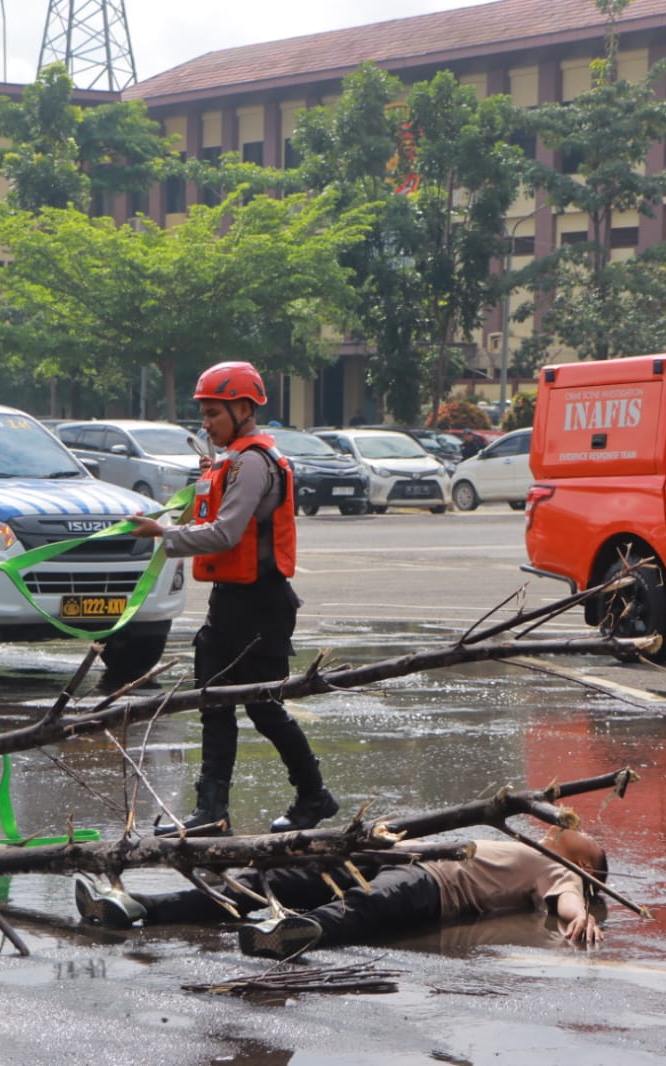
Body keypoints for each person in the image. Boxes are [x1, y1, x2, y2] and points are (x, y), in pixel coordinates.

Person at [127, 360, 336, 837]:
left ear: (243, 409)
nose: (205, 423)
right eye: (202, 413)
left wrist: (165, 533)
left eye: (213, 414)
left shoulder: (254, 463)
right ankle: (212, 811)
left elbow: (225, 533)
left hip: (261, 604)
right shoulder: (233, 461)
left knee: (263, 706)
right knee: (214, 703)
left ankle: (314, 795)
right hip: (231, 601)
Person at [75, 828, 609, 960]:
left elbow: (567, 901)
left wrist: (579, 915)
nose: (568, 831)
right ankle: (139, 906)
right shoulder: (527, 842)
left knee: (369, 906)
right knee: (272, 884)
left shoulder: (561, 869)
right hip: (392, 854)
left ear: (585, 864)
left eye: (583, 840)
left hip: (429, 883)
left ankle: (294, 936)